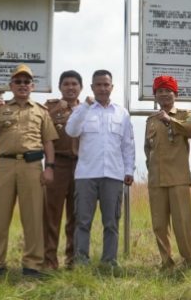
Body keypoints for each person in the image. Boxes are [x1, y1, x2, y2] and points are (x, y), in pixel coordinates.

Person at [0, 64, 58, 280]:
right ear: (11, 85)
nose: (22, 85)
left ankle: (32, 266)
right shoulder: (1, 108)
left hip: (32, 167)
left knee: (33, 218)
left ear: (32, 86)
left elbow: (49, 142)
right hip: (3, 166)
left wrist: (49, 168)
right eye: (18, 82)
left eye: (26, 82)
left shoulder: (41, 111)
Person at [65, 69, 135, 269]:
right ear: (92, 87)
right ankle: (81, 262)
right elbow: (71, 130)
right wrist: (85, 106)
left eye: (106, 85)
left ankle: (109, 262)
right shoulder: (84, 110)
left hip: (113, 175)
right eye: (99, 85)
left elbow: (128, 144)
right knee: (82, 221)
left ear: (112, 87)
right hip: (86, 174)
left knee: (111, 222)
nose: (103, 88)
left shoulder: (122, 113)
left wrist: (128, 170)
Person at [145, 75, 191, 268]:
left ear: (175, 93)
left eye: (168, 91)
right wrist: (150, 169)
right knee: (159, 224)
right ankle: (166, 262)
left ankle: (190, 260)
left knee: (182, 222)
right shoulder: (150, 120)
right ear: (155, 96)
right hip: (156, 179)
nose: (164, 94)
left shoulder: (185, 114)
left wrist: (170, 121)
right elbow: (147, 149)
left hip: (178, 177)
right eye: (160, 91)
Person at [43, 70, 82, 270]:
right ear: (60, 87)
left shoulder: (87, 109)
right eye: (66, 84)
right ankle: (49, 260)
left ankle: (73, 259)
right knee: (51, 214)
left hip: (81, 166)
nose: (70, 87)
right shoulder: (49, 107)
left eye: (74, 84)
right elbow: (38, 125)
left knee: (76, 215)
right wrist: (56, 109)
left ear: (81, 88)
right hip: (57, 163)